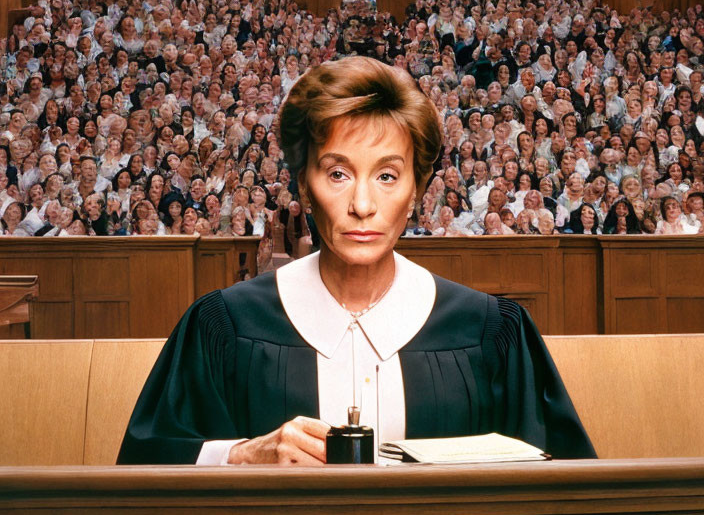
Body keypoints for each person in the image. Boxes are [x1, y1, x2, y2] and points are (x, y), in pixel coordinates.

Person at [118, 58, 595, 465]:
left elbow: (564, 492)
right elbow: (144, 469)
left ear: (416, 191)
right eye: (339, 173)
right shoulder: (222, 326)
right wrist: (242, 455)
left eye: (387, 175)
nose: (362, 204)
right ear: (304, 185)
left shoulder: (491, 333)